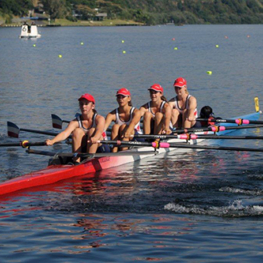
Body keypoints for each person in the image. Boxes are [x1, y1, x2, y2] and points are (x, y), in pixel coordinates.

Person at [46, 93, 109, 163]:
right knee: (77, 131)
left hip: (101, 149)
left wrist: (95, 137)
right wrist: (52, 141)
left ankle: (89, 161)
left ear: (93, 106)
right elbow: (65, 133)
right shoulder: (75, 122)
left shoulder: (99, 119)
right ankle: (76, 161)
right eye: (81, 104)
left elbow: (99, 130)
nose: (83, 106)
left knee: (92, 130)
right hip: (85, 148)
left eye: (86, 104)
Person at [104, 88, 142, 152]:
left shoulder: (136, 112)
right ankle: (114, 150)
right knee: (115, 126)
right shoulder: (111, 114)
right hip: (121, 138)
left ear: (129, 98)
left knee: (124, 127)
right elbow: (103, 129)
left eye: (123, 97)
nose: (120, 99)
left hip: (135, 138)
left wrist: (126, 133)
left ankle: (123, 151)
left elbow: (132, 124)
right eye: (119, 97)